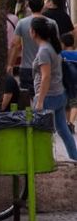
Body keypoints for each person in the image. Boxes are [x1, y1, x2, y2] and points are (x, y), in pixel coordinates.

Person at [31, 16, 77, 159]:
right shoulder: (52, 47)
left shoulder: (44, 51)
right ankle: (74, 156)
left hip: (48, 96)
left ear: (34, 32)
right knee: (63, 129)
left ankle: (42, 159)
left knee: (39, 131)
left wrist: (40, 101)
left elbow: (46, 76)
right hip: (58, 94)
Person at [10, 0, 58, 92]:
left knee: (29, 96)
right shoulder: (52, 23)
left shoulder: (22, 23)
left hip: (27, 67)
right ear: (42, 6)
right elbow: (57, 45)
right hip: (47, 66)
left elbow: (16, 45)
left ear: (29, 7)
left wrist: (10, 64)